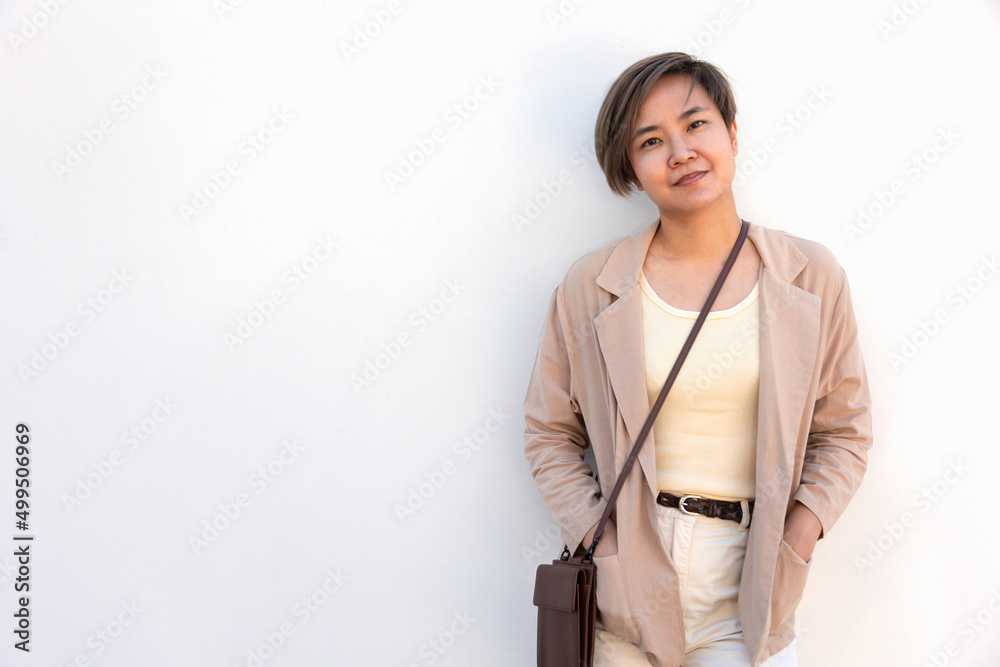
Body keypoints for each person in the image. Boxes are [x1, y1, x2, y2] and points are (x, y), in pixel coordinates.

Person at [522, 52, 873, 667]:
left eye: (696, 124)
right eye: (651, 140)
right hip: (622, 581)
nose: (680, 151)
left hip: (750, 580)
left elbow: (844, 432)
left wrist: (799, 535)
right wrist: (599, 540)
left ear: (732, 134)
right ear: (630, 169)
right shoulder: (593, 285)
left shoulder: (809, 277)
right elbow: (549, 434)